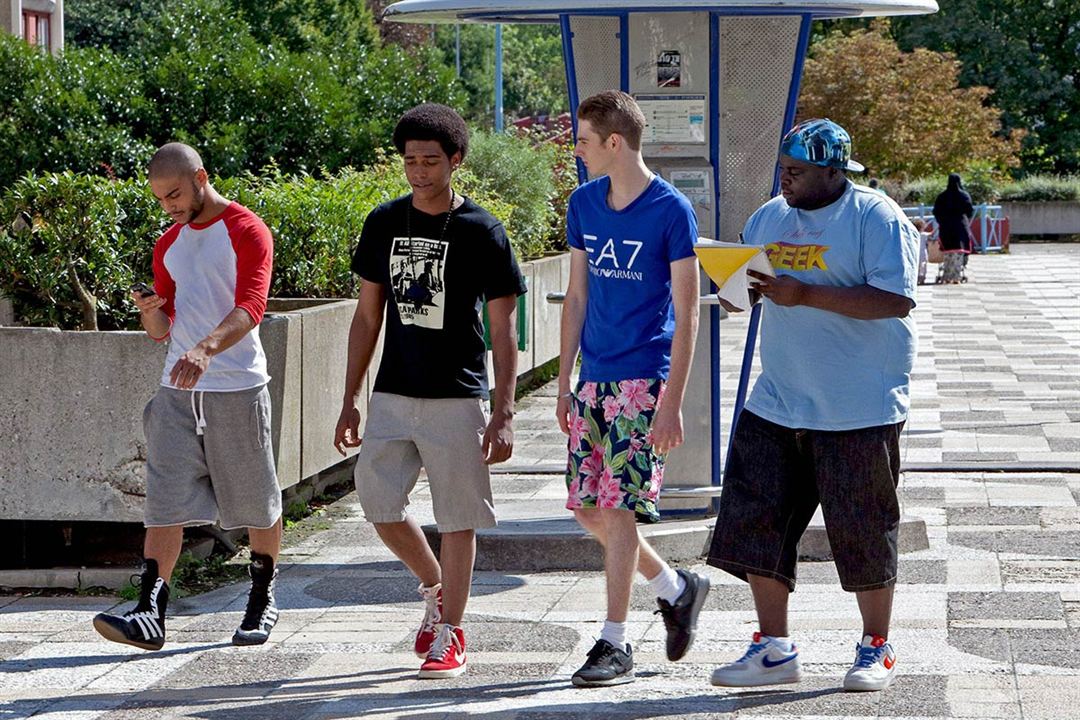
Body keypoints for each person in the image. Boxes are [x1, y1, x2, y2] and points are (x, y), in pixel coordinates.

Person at [707, 118, 917, 692]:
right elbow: (737, 301)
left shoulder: (875, 216)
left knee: (862, 527)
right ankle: (773, 649)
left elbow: (896, 298)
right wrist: (736, 290)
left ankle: (876, 646)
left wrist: (805, 294)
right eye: (782, 170)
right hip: (778, 399)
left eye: (796, 171)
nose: (786, 180)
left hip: (858, 405)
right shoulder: (769, 217)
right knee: (756, 520)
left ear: (833, 171)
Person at [334, 103, 527, 679]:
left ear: (455, 160)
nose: (418, 171)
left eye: (431, 161)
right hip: (394, 390)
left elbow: (503, 327)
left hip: (458, 392)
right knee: (378, 502)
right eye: (410, 161)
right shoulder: (384, 222)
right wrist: (349, 397)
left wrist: (505, 409)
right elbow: (367, 317)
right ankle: (435, 588)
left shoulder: (482, 231)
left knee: (459, 515)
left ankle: (452, 631)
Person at [93, 142, 282, 651]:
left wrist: (205, 349)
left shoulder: (247, 230)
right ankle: (149, 612)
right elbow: (161, 328)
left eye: (175, 194)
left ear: (202, 178)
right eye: (161, 199)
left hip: (236, 387)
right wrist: (150, 311)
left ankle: (262, 598)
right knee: (165, 503)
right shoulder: (168, 244)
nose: (169, 207)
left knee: (256, 503)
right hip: (176, 393)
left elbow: (252, 305)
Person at [556, 90, 710, 688]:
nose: (578, 150)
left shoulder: (671, 211)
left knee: (618, 511)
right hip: (593, 379)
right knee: (590, 512)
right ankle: (676, 588)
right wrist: (565, 380)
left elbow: (688, 310)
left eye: (585, 141)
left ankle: (614, 641)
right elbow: (576, 296)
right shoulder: (584, 203)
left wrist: (671, 400)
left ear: (614, 142)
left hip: (643, 380)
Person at [933, 173, 975, 284]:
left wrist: (941, 220)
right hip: (961, 226)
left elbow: (936, 211)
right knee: (958, 251)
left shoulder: (942, 196)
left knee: (948, 252)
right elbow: (970, 210)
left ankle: (946, 276)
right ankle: (956, 276)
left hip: (946, 227)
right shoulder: (964, 196)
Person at [910, 218, 930, 285]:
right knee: (923, 266)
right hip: (923, 253)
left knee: (915, 266)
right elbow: (932, 234)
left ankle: (915, 278)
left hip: (914, 252)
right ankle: (922, 278)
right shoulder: (924, 235)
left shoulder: (912, 234)